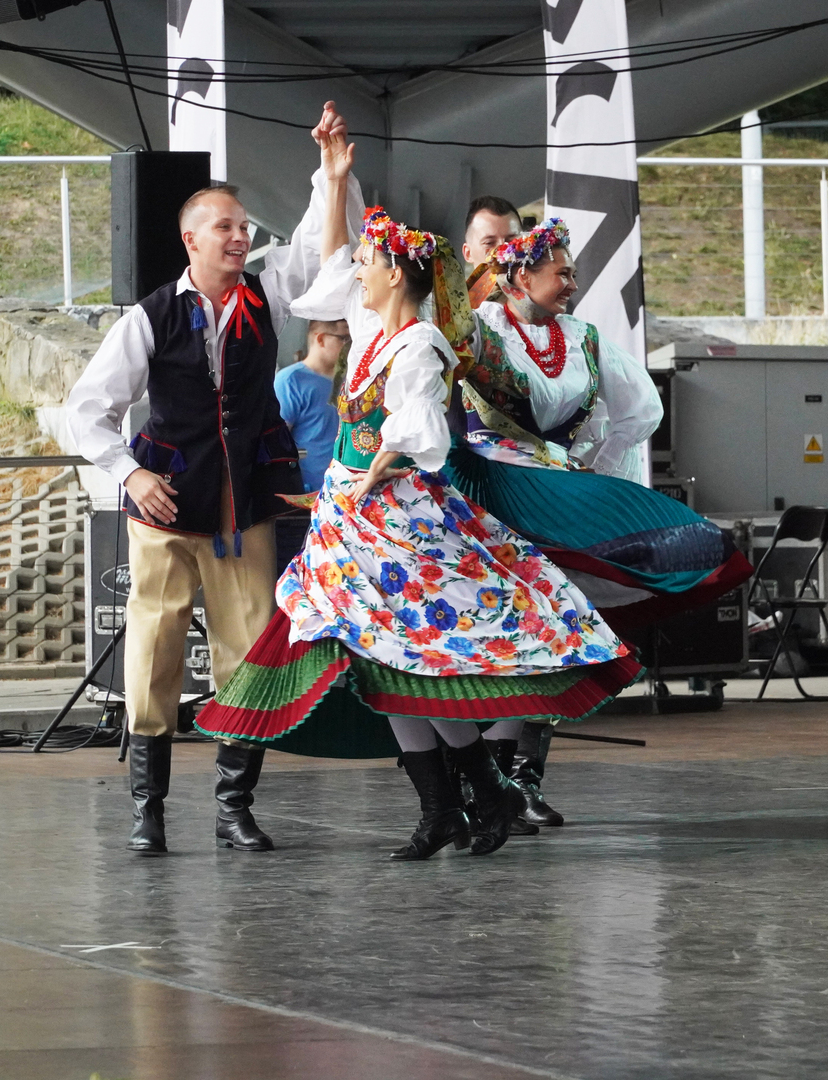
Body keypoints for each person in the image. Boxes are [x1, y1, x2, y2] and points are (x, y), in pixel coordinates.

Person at [191, 105, 643, 863]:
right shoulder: (371, 328)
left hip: (397, 526)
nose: (356, 272)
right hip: (351, 526)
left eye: (370, 263)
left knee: (415, 663)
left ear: (395, 274)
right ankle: (442, 810)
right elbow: (332, 258)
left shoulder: (419, 342)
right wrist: (334, 179)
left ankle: (480, 796)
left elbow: (421, 434)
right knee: (381, 665)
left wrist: (370, 469)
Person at [65, 101, 357, 856]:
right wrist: (131, 475)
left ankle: (234, 806)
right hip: (166, 510)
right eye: (224, 226)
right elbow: (86, 412)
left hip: (243, 509)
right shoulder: (149, 317)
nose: (239, 236)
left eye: (243, 226)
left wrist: (331, 175)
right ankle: (148, 811)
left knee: (247, 653)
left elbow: (317, 248)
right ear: (190, 239)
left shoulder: (267, 294)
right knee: (152, 653)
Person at [441, 216, 753, 825]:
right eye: (561, 272)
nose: (572, 283)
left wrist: (594, 474)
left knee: (555, 630)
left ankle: (518, 780)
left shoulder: (582, 338)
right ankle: (477, 782)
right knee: (497, 633)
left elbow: (640, 410)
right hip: (486, 496)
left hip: (553, 495)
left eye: (574, 273)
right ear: (521, 275)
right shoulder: (479, 330)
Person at [274, 319, 349, 571]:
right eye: (344, 339)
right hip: (304, 504)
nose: (350, 345)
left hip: (346, 499)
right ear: (320, 338)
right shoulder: (291, 381)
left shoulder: (353, 381)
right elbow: (278, 445)